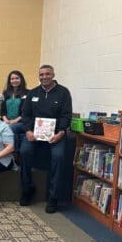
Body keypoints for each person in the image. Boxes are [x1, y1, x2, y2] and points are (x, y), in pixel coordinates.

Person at [20, 64, 72, 213]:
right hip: (34, 134)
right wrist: (28, 131)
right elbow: (26, 114)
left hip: (55, 135)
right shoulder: (33, 93)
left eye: (47, 74)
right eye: (41, 75)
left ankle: (53, 197)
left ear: (53, 75)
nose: (44, 77)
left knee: (59, 156)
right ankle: (27, 189)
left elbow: (66, 115)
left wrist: (61, 132)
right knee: (24, 151)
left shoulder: (63, 93)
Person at [1, 70, 29, 153]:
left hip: (21, 122)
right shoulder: (5, 93)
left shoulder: (28, 93)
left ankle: (14, 153)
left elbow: (26, 111)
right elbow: (2, 111)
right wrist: (6, 120)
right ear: (9, 81)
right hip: (7, 120)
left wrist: (14, 121)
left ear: (21, 79)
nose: (14, 80)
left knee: (11, 128)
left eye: (17, 78)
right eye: (12, 79)